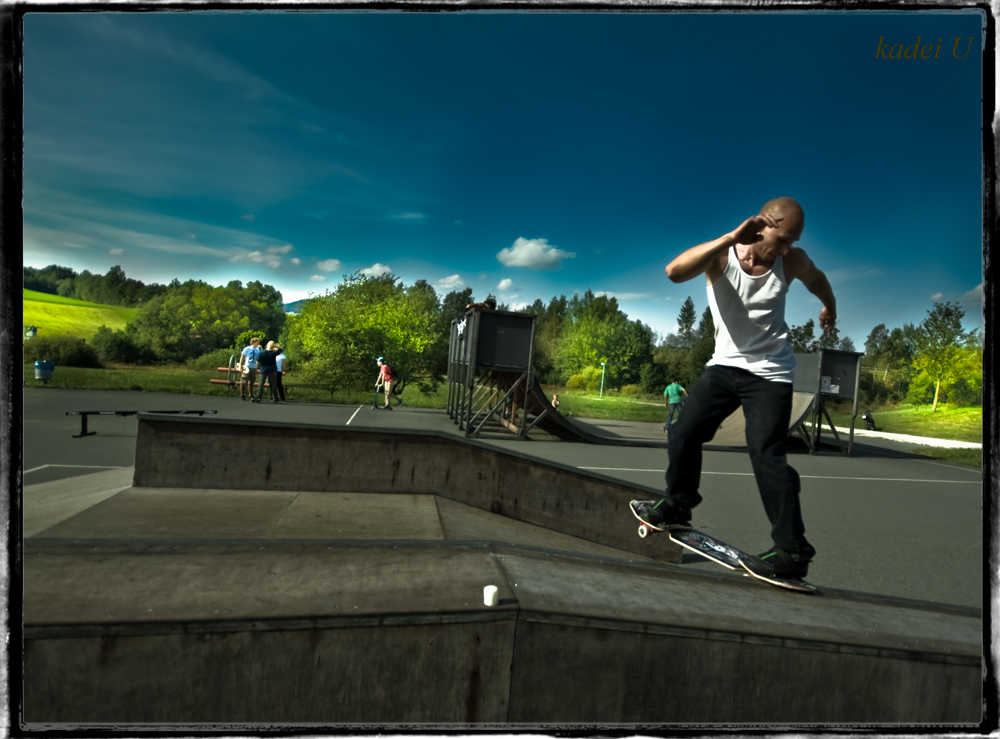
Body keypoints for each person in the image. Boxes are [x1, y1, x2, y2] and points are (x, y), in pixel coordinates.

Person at [634, 197, 836, 583]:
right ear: (763, 225)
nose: (787, 248)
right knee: (684, 430)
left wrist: (830, 306)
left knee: (767, 455)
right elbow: (674, 271)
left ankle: (792, 552)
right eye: (784, 238)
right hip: (724, 367)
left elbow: (817, 279)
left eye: (794, 240)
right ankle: (679, 504)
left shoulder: (791, 260)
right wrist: (729, 237)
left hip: (772, 373)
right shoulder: (721, 256)